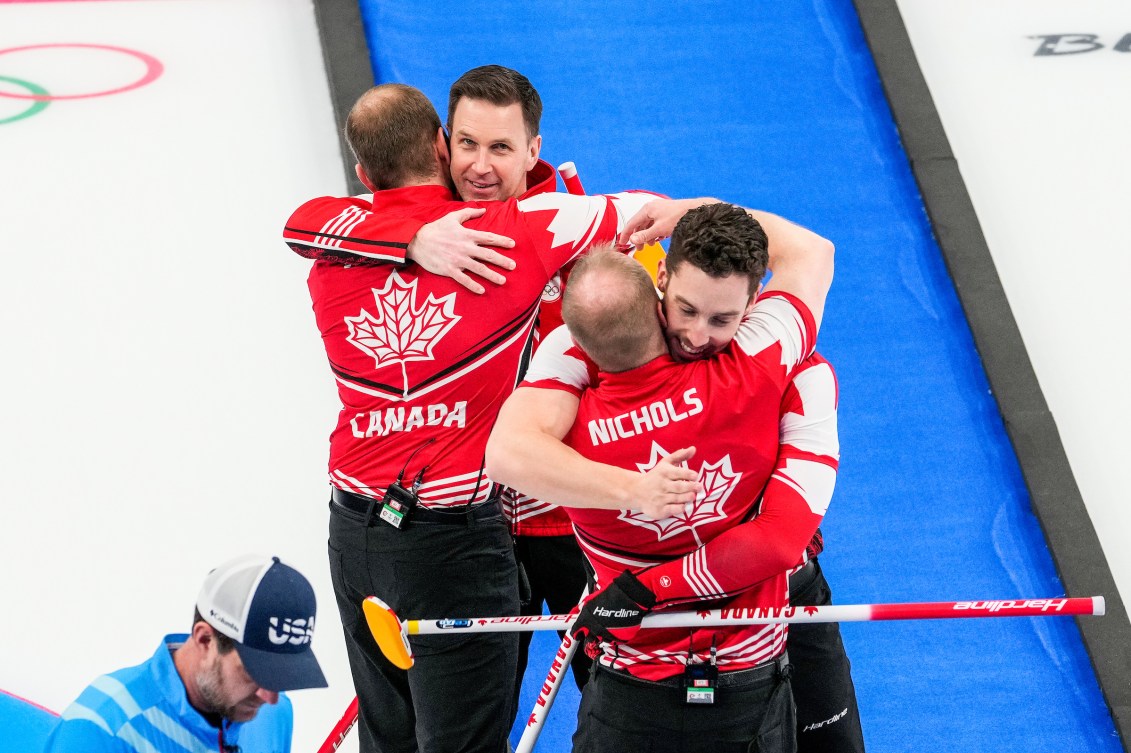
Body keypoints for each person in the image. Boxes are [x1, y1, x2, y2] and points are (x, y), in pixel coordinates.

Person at [281, 82, 708, 753]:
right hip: (461, 530)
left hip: (525, 518)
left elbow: (300, 223)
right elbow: (672, 210)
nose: (481, 165)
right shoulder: (524, 232)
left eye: (501, 148)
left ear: (532, 149)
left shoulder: (338, 245)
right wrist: (414, 234)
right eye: (469, 146)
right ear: (442, 147)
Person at [490, 202, 865, 752]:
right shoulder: (767, 355)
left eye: (721, 320)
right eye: (685, 309)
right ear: (660, 277)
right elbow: (812, 252)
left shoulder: (581, 357)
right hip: (655, 666)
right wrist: (634, 491)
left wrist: (643, 586)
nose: (695, 334)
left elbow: (508, 454)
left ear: (753, 304)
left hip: (723, 650)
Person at [42, 554, 327, 753]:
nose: (271, 696)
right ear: (205, 639)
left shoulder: (273, 715)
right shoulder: (100, 730)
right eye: (256, 670)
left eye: (283, 675)